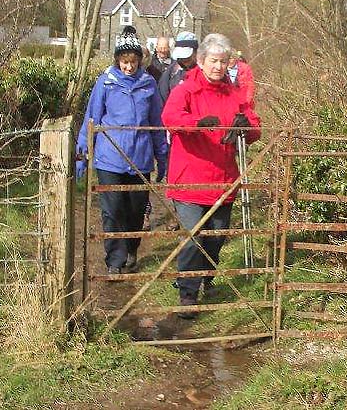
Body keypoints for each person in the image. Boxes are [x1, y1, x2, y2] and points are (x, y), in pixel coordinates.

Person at [161, 33, 261, 318]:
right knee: (194, 237)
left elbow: (254, 126)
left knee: (216, 237)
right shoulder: (186, 89)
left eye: (222, 61)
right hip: (190, 178)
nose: (218, 66)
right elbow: (170, 117)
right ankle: (187, 294)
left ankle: (206, 278)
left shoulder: (234, 93)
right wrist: (196, 124)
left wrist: (245, 127)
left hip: (223, 178)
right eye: (213, 61)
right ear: (201, 61)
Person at [76, 26, 168, 274]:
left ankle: (131, 248)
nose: (129, 66)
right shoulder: (105, 82)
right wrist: (82, 153)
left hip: (139, 159)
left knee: (136, 209)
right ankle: (114, 262)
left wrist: (163, 157)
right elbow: (91, 119)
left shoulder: (148, 84)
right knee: (112, 209)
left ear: (140, 61)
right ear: (118, 60)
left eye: (133, 61)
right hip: (110, 159)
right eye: (125, 61)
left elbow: (156, 124)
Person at [158, 31, 198, 105]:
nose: (183, 61)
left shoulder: (205, 72)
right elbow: (162, 98)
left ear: (195, 52)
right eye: (180, 58)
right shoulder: (172, 71)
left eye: (187, 58)